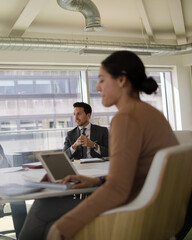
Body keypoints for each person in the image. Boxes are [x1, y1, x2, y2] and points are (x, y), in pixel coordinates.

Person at [19, 51, 179, 240]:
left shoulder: (126, 117)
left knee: (43, 207)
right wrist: (97, 181)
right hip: (161, 210)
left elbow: (118, 189)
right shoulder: (153, 114)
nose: (97, 86)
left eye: (102, 79)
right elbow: (139, 172)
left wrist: (64, 226)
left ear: (121, 80)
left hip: (135, 211)